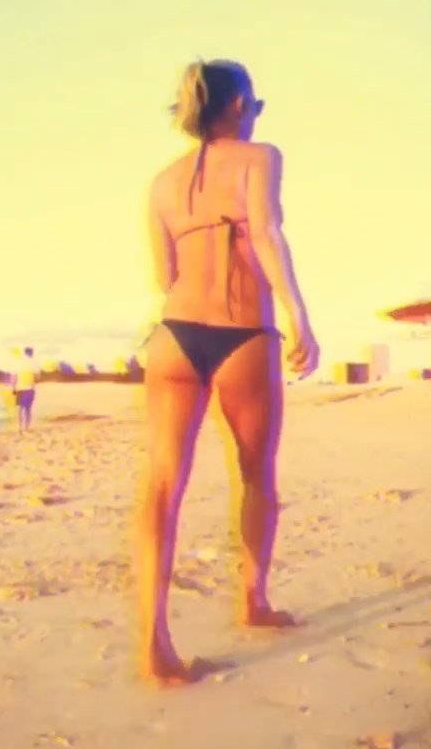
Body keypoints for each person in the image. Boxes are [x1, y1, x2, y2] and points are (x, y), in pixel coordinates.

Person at [138, 59, 320, 685]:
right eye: (256, 105)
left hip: (173, 336)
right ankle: (253, 600)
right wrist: (299, 316)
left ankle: (155, 646)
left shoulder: (161, 183)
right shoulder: (259, 157)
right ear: (239, 105)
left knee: (163, 487)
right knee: (256, 474)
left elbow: (163, 275)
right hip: (242, 331)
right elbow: (267, 234)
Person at [10, 346, 39, 434]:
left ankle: (20, 428)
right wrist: (33, 380)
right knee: (28, 409)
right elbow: (37, 377)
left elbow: (14, 376)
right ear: (31, 353)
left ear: (24, 353)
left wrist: (13, 387)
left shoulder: (18, 362)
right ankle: (26, 428)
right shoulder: (34, 362)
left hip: (20, 388)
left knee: (20, 408)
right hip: (29, 388)